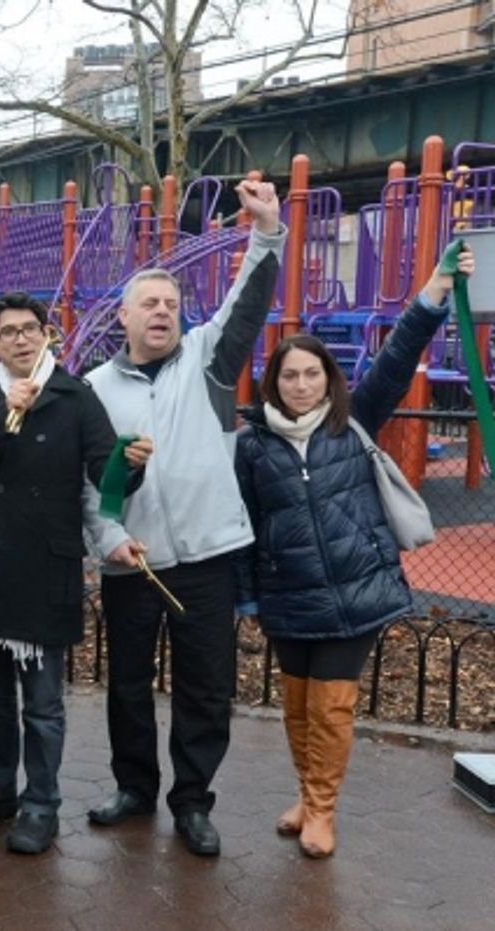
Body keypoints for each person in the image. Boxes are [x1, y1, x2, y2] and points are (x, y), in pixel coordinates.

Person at [234, 244, 475, 859]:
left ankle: (322, 810)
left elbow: (396, 359)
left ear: (328, 379)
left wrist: (436, 288)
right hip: (288, 591)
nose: (300, 384)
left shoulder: (353, 417)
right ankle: (304, 793)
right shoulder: (254, 443)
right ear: (274, 380)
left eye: (311, 373)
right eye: (289, 375)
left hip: (353, 586)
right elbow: (245, 522)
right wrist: (247, 595)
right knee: (295, 703)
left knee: (332, 705)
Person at [81, 178, 284, 857]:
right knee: (128, 685)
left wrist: (265, 234)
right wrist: (107, 537)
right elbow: (90, 485)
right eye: (149, 303)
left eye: (171, 302)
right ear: (124, 316)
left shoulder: (208, 362)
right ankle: (134, 787)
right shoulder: (94, 390)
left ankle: (193, 800)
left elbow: (247, 307)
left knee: (205, 688)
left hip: (205, 558)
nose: (163, 311)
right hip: (131, 559)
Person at [0, 293, 151, 854]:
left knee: (42, 703)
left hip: (46, 566)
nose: (21, 338)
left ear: (45, 334)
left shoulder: (73, 393)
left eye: (30, 329)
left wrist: (128, 468)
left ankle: (41, 804)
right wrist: (1, 413)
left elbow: (104, 471)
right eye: (8, 331)